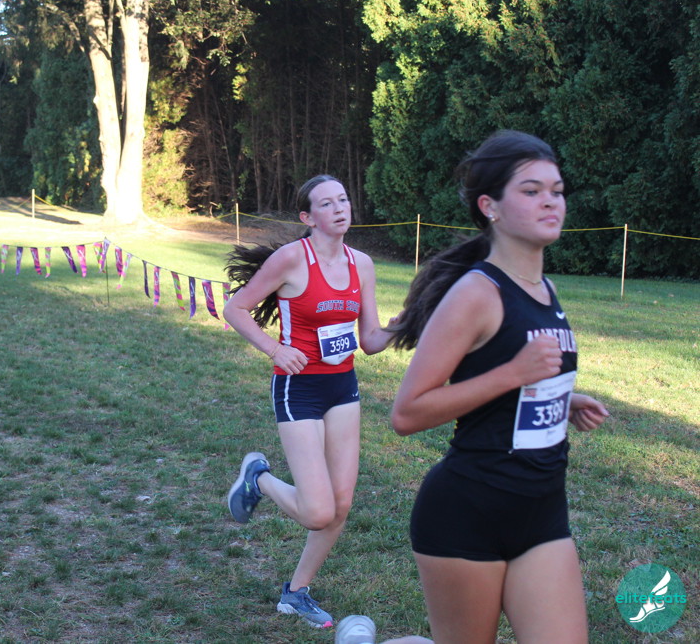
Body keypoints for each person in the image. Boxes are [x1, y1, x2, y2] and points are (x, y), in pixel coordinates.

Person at [388, 131, 609, 644]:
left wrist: (561, 399)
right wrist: (513, 374)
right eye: (531, 191)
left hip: (542, 511)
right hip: (468, 515)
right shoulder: (476, 293)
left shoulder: (545, 288)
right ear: (490, 207)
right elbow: (407, 413)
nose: (551, 201)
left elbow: (516, 384)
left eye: (556, 190)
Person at [223, 175, 399, 629]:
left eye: (343, 199)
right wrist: (274, 349)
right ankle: (259, 478)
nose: (340, 208)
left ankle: (296, 593)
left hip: (343, 388)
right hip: (297, 387)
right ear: (308, 216)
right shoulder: (291, 259)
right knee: (317, 511)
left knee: (339, 506)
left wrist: (406, 324)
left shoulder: (362, 264)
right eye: (327, 203)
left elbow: (370, 340)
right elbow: (236, 309)